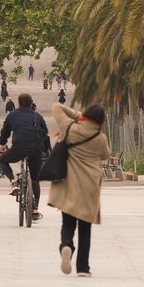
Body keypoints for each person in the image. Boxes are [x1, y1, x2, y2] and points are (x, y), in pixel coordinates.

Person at [49, 102, 110, 277]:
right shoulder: (100, 137)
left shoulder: (69, 128)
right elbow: (105, 155)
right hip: (89, 184)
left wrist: (78, 116)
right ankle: (83, 267)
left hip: (69, 182)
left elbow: (56, 107)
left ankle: (66, 246)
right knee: (85, 228)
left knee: (67, 223)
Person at [0, 93, 50, 219]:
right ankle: (35, 210)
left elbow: (5, 133)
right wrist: (45, 150)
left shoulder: (12, 115)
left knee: (3, 159)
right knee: (35, 179)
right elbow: (46, 135)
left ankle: (13, 181)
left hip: (18, 149)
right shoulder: (38, 117)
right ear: (31, 104)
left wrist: (2, 145)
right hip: (35, 150)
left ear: (19, 104)